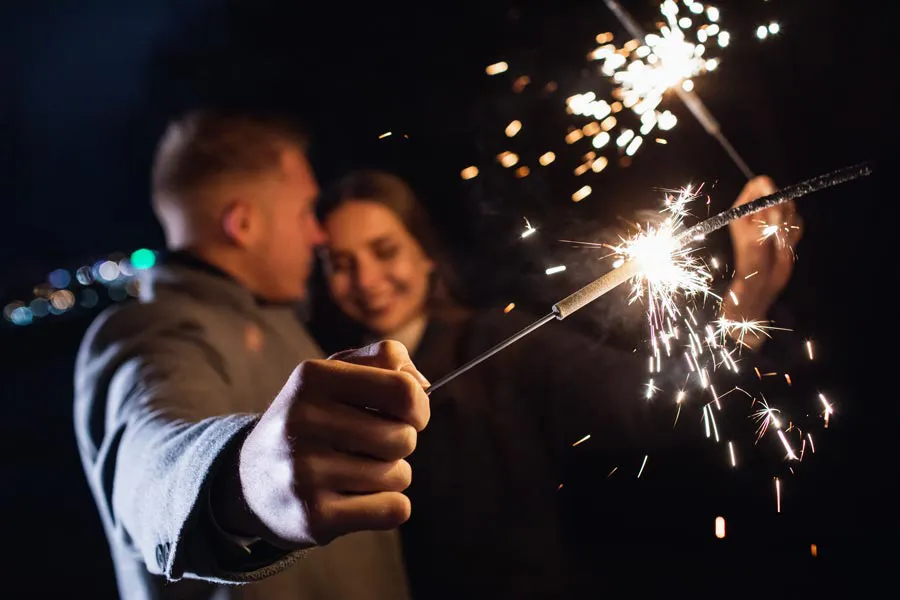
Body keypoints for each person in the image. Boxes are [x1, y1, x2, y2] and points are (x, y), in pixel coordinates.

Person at [314, 169, 803, 598]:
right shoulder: (324, 376)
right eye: (341, 263)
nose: (367, 279)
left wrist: (744, 309)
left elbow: (648, 403)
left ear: (425, 253)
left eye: (385, 251)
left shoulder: (498, 344)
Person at [73, 111, 429, 600]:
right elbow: (146, 463)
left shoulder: (277, 319)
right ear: (242, 224)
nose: (318, 236)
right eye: (305, 212)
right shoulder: (151, 331)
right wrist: (243, 482)